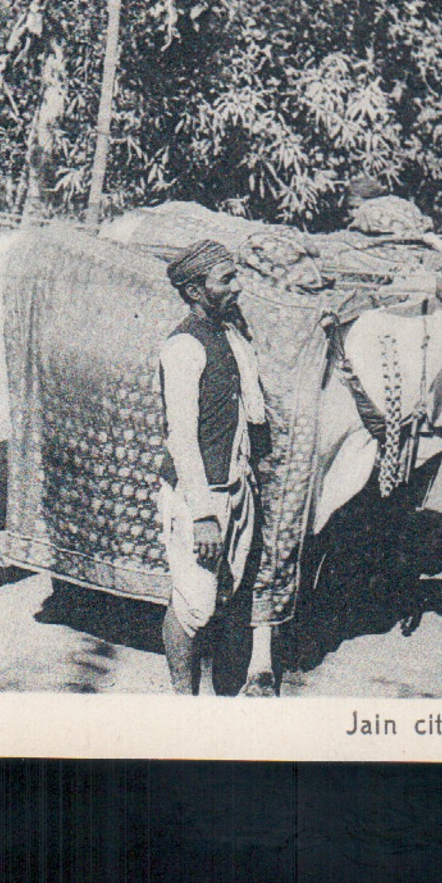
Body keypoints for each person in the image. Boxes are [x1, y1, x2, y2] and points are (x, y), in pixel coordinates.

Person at [156, 239, 267, 696]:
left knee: (228, 591)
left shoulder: (229, 335)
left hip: (236, 486)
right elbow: (182, 439)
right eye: (226, 280)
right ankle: (183, 700)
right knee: (193, 605)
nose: (237, 287)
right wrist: (202, 514)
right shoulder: (184, 347)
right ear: (194, 290)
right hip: (200, 496)